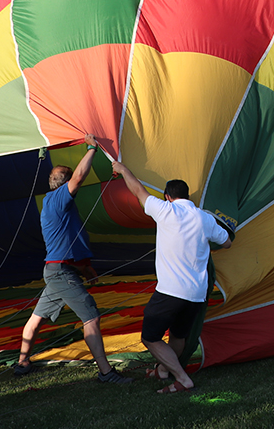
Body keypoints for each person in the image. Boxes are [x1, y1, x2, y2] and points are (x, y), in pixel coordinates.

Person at [15, 135, 132, 384]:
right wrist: (91, 148)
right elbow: (79, 177)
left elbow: (67, 246)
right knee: (91, 317)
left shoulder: (55, 205)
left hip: (57, 271)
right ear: (65, 185)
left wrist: (87, 269)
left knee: (36, 318)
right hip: (60, 273)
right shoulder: (58, 198)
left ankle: (22, 362)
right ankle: (105, 372)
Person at [109, 160, 231, 394]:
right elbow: (226, 242)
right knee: (178, 335)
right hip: (196, 294)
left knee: (150, 337)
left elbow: (137, 190)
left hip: (170, 291)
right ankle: (163, 371)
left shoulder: (164, 210)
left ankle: (182, 377)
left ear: (167, 196)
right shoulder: (204, 218)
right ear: (188, 196)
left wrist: (124, 169)